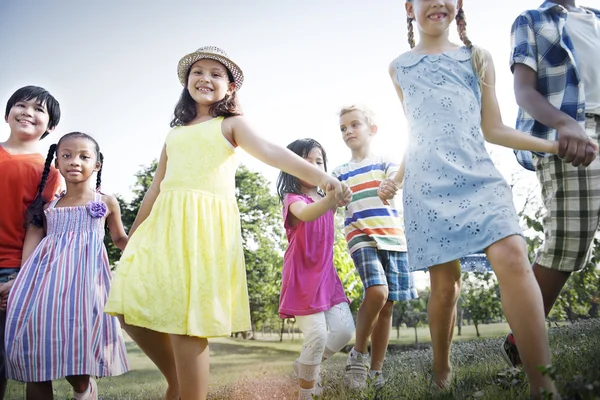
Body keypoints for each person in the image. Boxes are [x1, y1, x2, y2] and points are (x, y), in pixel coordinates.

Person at [103, 46, 351, 400]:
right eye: (198, 72)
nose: (205, 78)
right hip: (162, 229)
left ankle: (189, 392)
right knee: (126, 304)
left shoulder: (230, 125)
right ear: (186, 82)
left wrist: (322, 177)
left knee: (187, 324)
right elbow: (156, 187)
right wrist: (132, 235)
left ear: (230, 87)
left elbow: (271, 151)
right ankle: (176, 380)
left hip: (202, 231)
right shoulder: (174, 133)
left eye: (216, 74)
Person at [379, 0, 595, 396]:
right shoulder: (399, 68)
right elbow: (418, 130)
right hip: (427, 187)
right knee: (446, 289)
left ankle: (541, 385)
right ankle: (441, 368)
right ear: (409, 7)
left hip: (480, 176)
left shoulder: (478, 58)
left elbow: (494, 129)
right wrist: (398, 176)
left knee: (513, 255)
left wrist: (550, 146)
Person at [502, 0, 600, 368]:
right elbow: (524, 91)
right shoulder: (532, 20)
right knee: (568, 243)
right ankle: (521, 335)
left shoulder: (596, 17)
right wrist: (564, 124)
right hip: (573, 132)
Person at [4, 132, 129, 400]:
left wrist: (147, 249)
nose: (75, 161)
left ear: (97, 165)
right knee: (35, 354)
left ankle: (85, 390)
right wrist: (19, 283)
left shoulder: (105, 202)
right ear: (57, 164)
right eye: (67, 156)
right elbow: (33, 251)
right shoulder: (48, 208)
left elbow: (120, 239)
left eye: (84, 156)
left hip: (85, 288)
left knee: (78, 357)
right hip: (44, 287)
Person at [332, 106, 418, 390]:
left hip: (392, 237)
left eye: (355, 125)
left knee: (387, 306)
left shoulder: (384, 161)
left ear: (373, 129)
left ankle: (376, 371)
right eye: (343, 128)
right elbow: (334, 197)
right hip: (361, 236)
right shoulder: (340, 171)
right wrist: (338, 195)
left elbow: (397, 177)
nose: (348, 132)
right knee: (377, 291)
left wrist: (391, 185)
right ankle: (358, 354)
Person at [276, 138, 354, 400]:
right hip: (301, 277)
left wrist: (339, 195)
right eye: (304, 162)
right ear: (291, 166)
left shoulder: (325, 197)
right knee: (318, 335)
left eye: (318, 162)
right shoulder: (292, 198)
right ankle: (306, 391)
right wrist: (332, 198)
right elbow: (308, 214)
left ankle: (306, 366)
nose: (312, 167)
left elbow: (336, 202)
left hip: (326, 276)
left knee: (344, 331)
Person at [0, 85, 61, 398]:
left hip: (14, 273)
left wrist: (21, 280)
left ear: (50, 126)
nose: (28, 112)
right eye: (21, 105)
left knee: (28, 365)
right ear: (8, 113)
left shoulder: (50, 173)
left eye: (39, 109)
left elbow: (39, 229)